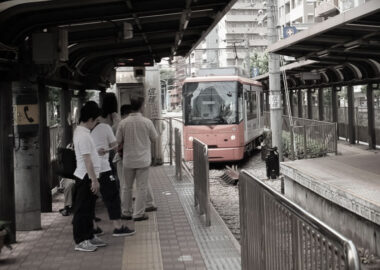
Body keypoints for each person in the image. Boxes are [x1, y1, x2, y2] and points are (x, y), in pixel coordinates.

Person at [90, 111, 135, 236]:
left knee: (90, 198)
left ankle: (93, 227)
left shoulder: (84, 130)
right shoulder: (105, 127)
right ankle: (118, 226)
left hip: (88, 169)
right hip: (102, 168)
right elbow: (115, 146)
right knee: (112, 196)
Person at [116, 97, 158, 221]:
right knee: (141, 187)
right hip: (143, 160)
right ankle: (138, 213)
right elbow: (154, 138)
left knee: (126, 187)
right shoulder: (147, 122)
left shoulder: (123, 123)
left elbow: (117, 141)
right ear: (141, 107)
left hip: (128, 160)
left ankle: (126, 212)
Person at [72, 101, 105, 252]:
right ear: (90, 119)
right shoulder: (83, 135)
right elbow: (86, 160)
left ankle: (89, 236)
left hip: (87, 176)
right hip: (86, 176)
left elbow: (88, 155)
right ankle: (81, 240)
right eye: (96, 120)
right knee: (83, 210)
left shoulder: (83, 132)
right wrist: (94, 180)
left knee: (89, 209)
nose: (96, 124)